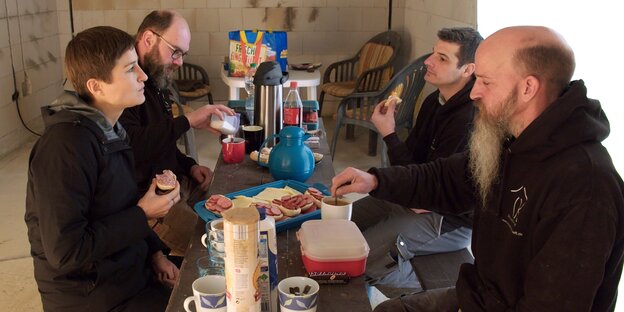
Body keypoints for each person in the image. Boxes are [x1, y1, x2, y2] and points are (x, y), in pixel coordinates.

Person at [332, 26, 624, 311]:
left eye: (486, 81)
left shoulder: (585, 186)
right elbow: (444, 177)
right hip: (479, 295)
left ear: (528, 88)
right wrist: (374, 180)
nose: (474, 93)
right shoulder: (512, 141)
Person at [25, 26, 181, 311]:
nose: (143, 76)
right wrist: (143, 214)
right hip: (94, 296)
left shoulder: (110, 129)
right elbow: (67, 251)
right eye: (130, 68)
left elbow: (117, 207)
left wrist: (155, 252)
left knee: (216, 270)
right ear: (96, 86)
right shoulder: (65, 146)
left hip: (128, 271)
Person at [351, 27, 482, 291]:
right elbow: (410, 169)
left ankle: (442, 291)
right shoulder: (435, 101)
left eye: (442, 58)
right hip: (415, 198)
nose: (428, 61)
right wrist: (390, 134)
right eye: (433, 53)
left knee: (359, 259)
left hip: (449, 219)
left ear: (468, 69)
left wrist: (389, 136)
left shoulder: (470, 119)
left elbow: (434, 193)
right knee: (341, 225)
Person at [119, 10, 234, 257]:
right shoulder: (124, 85)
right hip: (153, 199)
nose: (180, 62)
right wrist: (187, 121)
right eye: (176, 51)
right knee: (218, 248)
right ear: (148, 39)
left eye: (183, 54)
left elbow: (162, 142)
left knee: (235, 212)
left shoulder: (154, 79)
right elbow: (132, 144)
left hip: (179, 183)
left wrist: (189, 166)